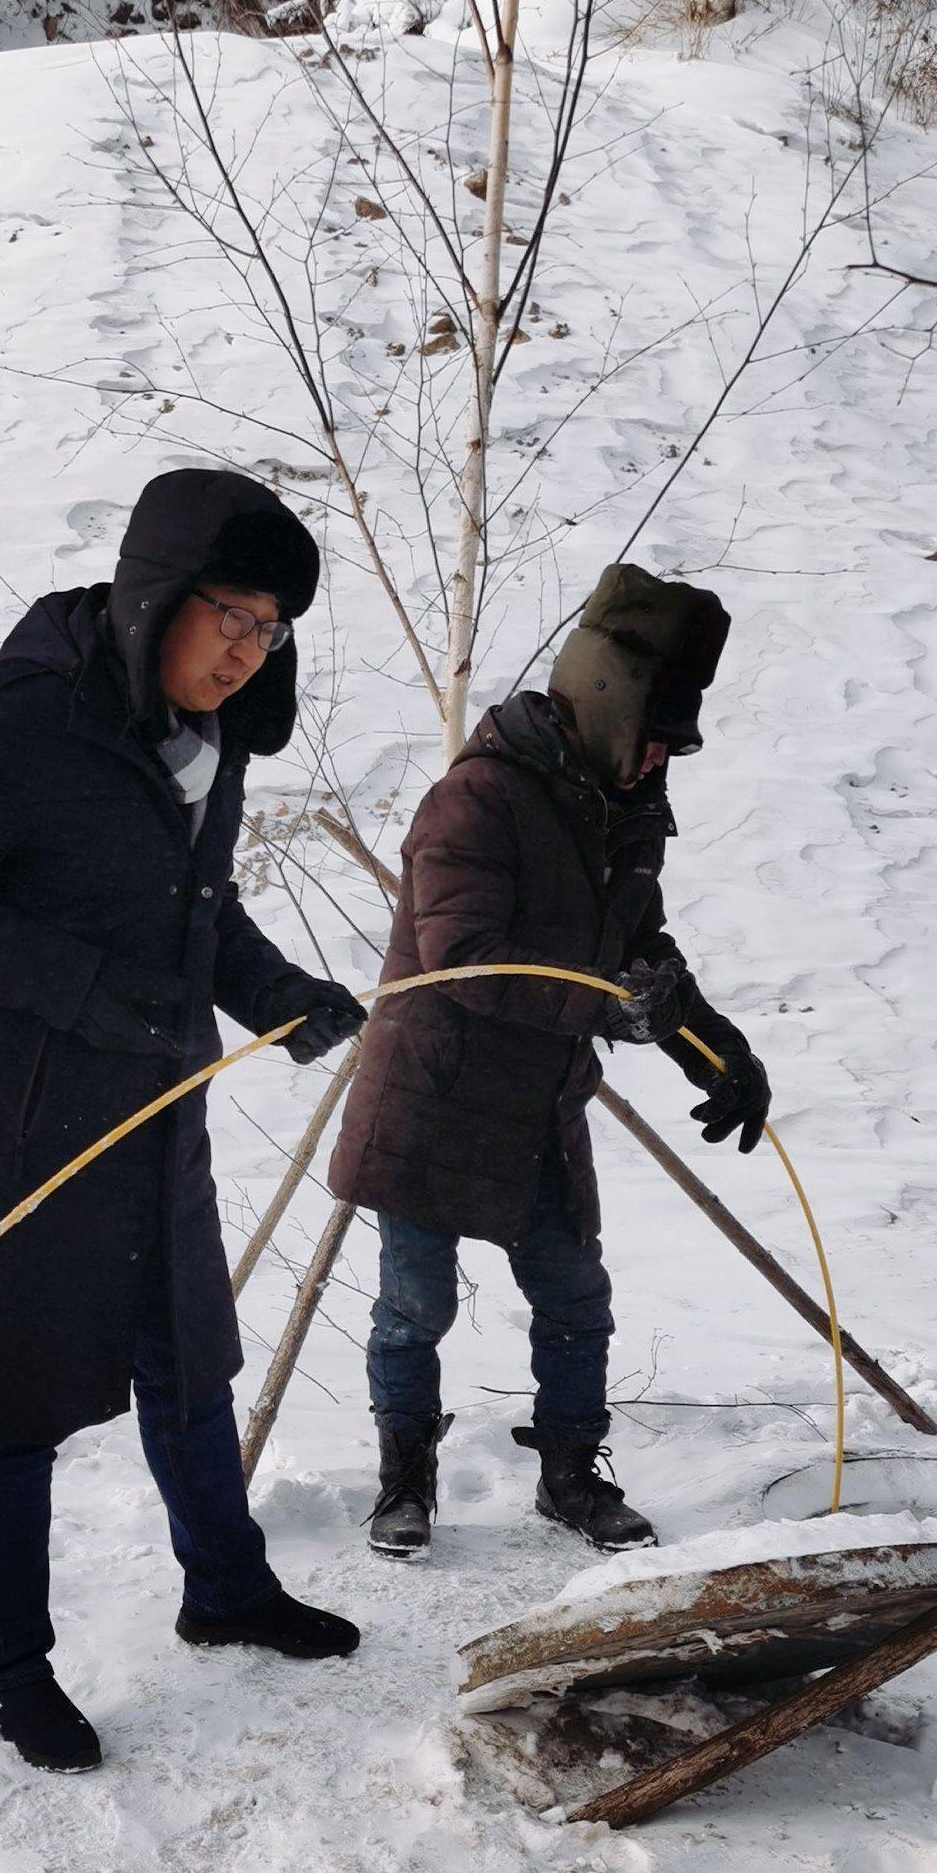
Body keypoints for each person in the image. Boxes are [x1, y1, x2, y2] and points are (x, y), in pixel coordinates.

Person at [0, 470, 369, 1773]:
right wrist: (86, 993)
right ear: (154, 599)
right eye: (228, 617)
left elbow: (196, 919)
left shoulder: (207, 749)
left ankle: (226, 1588)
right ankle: (8, 1672)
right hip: (23, 1130)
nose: (245, 652)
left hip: (154, 1112)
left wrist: (274, 994)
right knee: (14, 1407)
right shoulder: (13, 726)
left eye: (269, 630)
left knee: (186, 1366)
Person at [327, 564, 770, 1561]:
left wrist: (716, 1050)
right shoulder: (476, 801)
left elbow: (643, 954)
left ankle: (571, 1475)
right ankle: (404, 1479)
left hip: (536, 1105)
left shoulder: (629, 808)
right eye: (653, 734)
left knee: (576, 1297)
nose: (661, 756)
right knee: (416, 1304)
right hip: (434, 1098)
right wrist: (611, 1008)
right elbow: (463, 959)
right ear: (607, 708)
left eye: (673, 743)